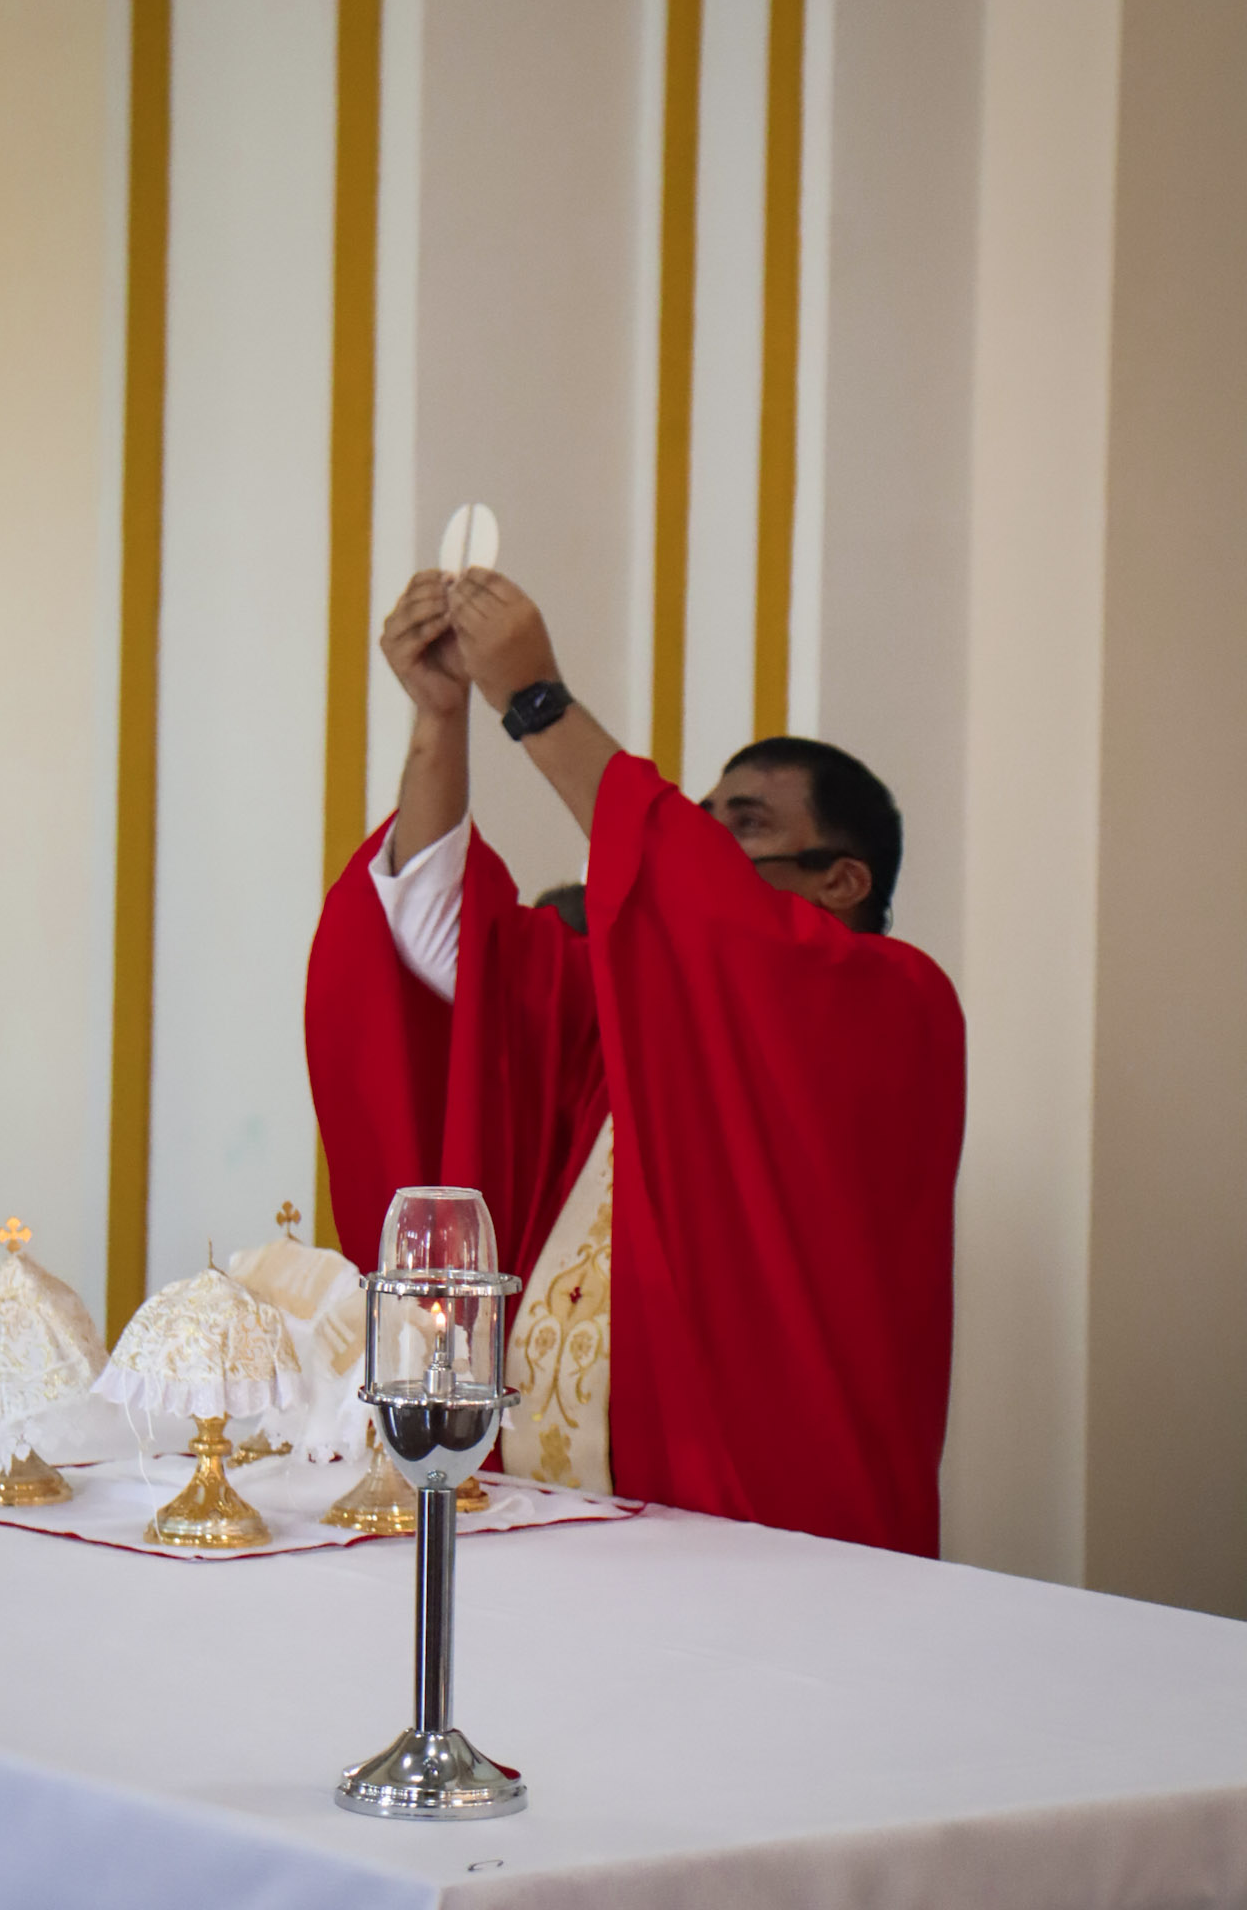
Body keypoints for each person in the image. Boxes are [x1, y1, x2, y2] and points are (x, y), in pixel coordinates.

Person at [306, 567, 966, 1556]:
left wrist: (538, 702)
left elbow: (718, 921)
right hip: (556, 1518)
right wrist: (440, 720)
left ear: (842, 879)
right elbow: (445, 948)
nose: (709, 846)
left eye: (745, 825)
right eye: (702, 822)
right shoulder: (628, 1023)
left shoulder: (892, 1004)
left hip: (767, 1525)